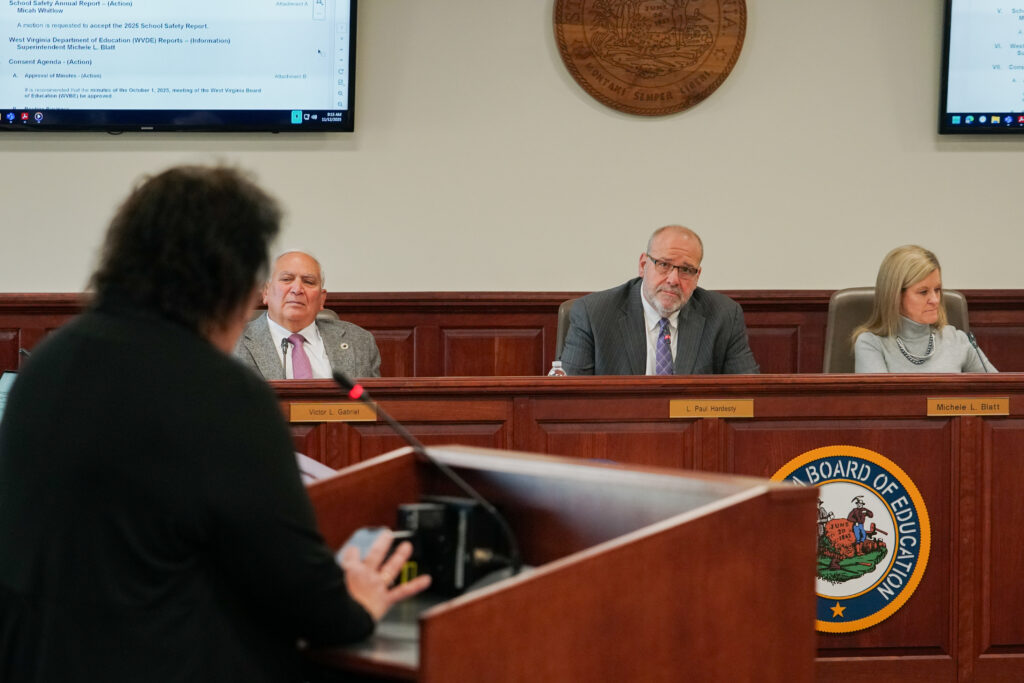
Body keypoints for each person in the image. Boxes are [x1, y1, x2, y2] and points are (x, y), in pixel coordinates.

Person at [0, 166, 429, 682]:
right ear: (230, 282)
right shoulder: (223, 393)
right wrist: (356, 601)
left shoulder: (45, 366)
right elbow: (298, 593)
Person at [560, 224, 759, 375]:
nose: (673, 280)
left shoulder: (724, 316)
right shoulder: (593, 314)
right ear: (643, 265)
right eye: (664, 265)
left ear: (697, 276)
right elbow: (570, 402)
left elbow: (748, 397)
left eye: (686, 270)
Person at [235, 250, 381, 380]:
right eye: (286, 279)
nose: (297, 289)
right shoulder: (232, 343)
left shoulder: (359, 341)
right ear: (266, 292)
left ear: (321, 299)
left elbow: (373, 404)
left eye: (308, 281)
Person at [853, 245, 996, 373]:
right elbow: (880, 403)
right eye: (923, 292)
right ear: (895, 295)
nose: (935, 300)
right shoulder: (871, 344)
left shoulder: (957, 340)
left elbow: (1001, 395)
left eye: (937, 290)